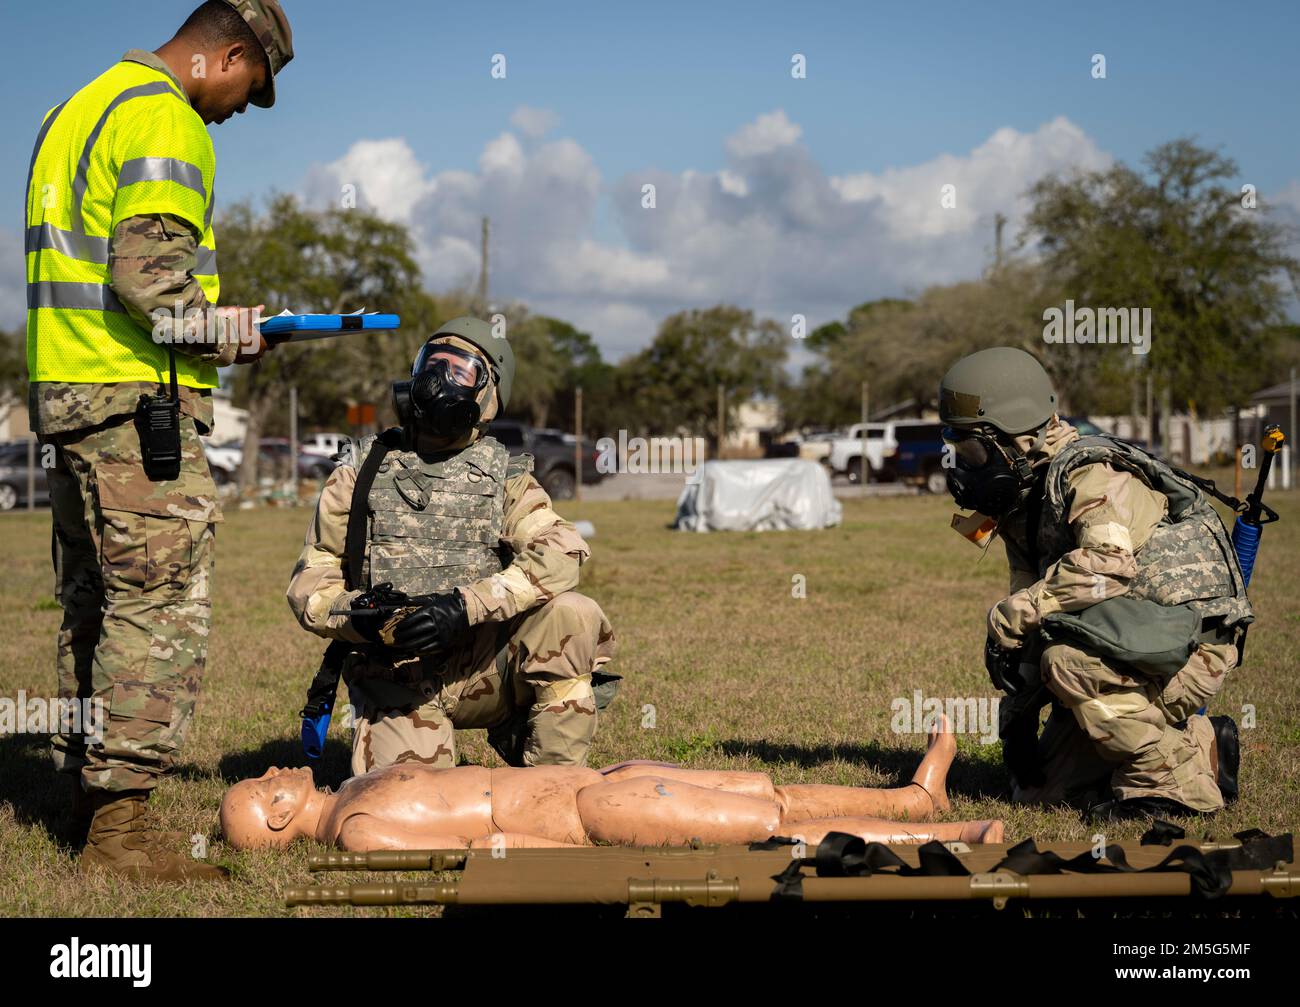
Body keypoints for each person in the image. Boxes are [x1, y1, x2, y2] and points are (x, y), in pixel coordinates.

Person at [25, 0, 294, 881]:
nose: (234, 114)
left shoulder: (75, 109)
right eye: (246, 93)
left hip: (71, 402)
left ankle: (83, 798)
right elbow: (154, 287)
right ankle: (119, 838)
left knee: (94, 611)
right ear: (223, 56)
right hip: (138, 409)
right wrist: (239, 331)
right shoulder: (166, 120)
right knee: (159, 611)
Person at [286, 317, 618, 777]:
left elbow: (561, 552)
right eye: (431, 363)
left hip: (486, 666)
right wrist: (365, 617)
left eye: (460, 369)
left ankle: (552, 783)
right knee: (410, 808)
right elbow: (309, 585)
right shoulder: (358, 473)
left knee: (572, 613)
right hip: (398, 672)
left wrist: (466, 607)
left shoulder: (506, 477)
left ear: (489, 395)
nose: (438, 378)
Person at [938, 347, 1249, 820]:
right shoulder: (1023, 499)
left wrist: (1012, 616)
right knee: (1037, 793)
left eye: (973, 451)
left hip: (1187, 649)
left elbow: (1106, 566)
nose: (966, 465)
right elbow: (1031, 620)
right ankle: (1204, 745)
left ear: (1017, 438)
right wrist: (1016, 717)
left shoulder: (1090, 474)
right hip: (1127, 645)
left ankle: (1174, 785)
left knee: (1065, 662)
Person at [221, 715, 1003, 849]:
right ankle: (939, 834)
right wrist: (578, 850)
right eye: (262, 788)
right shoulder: (361, 828)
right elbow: (490, 843)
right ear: (281, 817)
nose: (269, 773)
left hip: (592, 780)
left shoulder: (357, 784)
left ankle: (911, 796)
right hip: (588, 810)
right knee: (768, 827)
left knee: (756, 786)